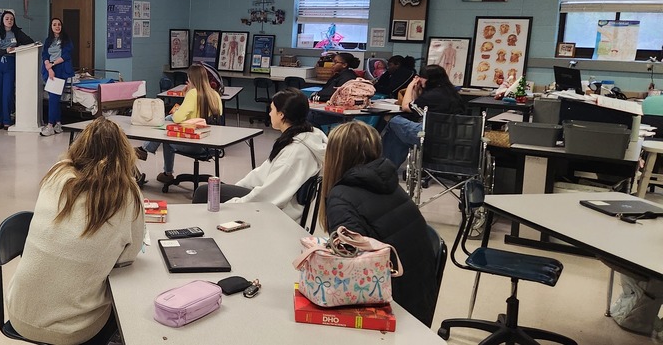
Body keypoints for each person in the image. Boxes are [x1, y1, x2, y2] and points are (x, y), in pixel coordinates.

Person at [6, 117, 144, 345]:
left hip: (20, 314)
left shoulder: (57, 173)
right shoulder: (126, 193)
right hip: (74, 330)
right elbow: (127, 258)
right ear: (124, 153)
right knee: (123, 306)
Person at [321, 121, 439, 326]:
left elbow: (351, 273)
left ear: (334, 157)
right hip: (419, 296)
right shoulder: (388, 182)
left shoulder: (341, 197)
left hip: (394, 307)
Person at [192, 89, 326, 222]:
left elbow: (268, 196)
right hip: (270, 198)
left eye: (272, 109)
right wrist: (238, 187)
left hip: (277, 210)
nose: (269, 113)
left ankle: (198, 233)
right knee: (208, 191)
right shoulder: (306, 136)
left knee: (203, 193)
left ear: (281, 114)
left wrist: (232, 204)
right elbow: (262, 173)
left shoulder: (294, 153)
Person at [135, 64, 222, 185]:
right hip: (211, 144)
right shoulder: (216, 95)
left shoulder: (193, 94)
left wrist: (186, 96)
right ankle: (146, 151)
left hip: (194, 143)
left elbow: (177, 118)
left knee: (167, 132)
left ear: (192, 79)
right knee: (168, 122)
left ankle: (166, 172)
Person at [382, 64, 465, 168]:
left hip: (430, 135)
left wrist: (410, 86)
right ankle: (388, 165)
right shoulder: (451, 93)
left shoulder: (432, 95)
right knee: (398, 133)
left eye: (421, 77)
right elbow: (418, 110)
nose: (419, 79)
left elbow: (405, 107)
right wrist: (416, 91)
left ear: (429, 79)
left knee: (394, 121)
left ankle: (386, 165)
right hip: (452, 135)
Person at [0, 11, 35, 130]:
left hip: (10, 64)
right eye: (7, 19)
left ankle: (7, 119)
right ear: (2, 20)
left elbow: (30, 42)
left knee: (8, 93)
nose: (9, 21)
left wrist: (19, 49)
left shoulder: (17, 32)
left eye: (11, 19)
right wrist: (5, 51)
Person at [40, 17, 74, 136]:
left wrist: (52, 65)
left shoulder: (66, 40)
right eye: (54, 24)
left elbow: (66, 55)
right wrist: (48, 67)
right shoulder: (48, 40)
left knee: (53, 98)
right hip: (50, 69)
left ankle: (50, 125)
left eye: (59, 24)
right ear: (51, 27)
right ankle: (58, 123)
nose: (57, 26)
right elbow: (44, 54)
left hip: (60, 69)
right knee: (54, 98)